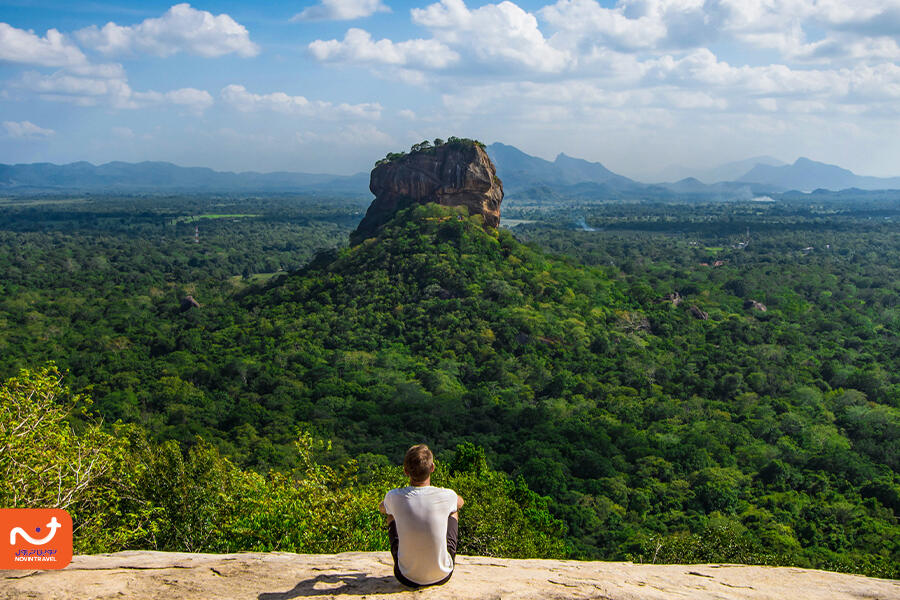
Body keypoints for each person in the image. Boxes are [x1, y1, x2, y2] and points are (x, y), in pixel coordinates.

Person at [379, 444, 464, 588]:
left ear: (406, 471)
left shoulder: (394, 496)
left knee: (390, 514)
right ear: (432, 468)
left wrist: (392, 504)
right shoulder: (446, 495)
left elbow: (382, 508)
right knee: (453, 510)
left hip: (405, 576)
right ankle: (442, 557)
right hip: (442, 575)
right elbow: (460, 502)